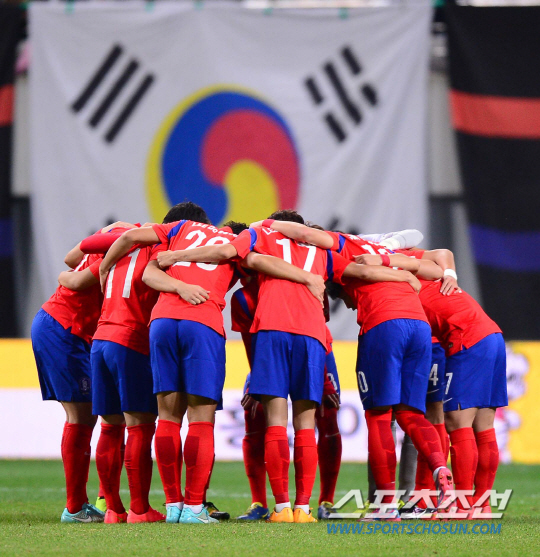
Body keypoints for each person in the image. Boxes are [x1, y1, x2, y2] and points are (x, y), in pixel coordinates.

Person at [159, 210, 423, 523]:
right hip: (312, 336)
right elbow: (361, 271)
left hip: (272, 330)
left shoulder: (260, 237)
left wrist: (176, 255)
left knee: (274, 421)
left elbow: (233, 253)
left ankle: (281, 507)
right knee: (306, 424)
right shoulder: (322, 251)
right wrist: (403, 275)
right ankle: (304, 508)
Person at [98, 212, 328, 524]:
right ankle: (194, 507)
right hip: (202, 322)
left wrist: (172, 283)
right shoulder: (239, 242)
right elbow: (258, 262)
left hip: (161, 321)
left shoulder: (180, 229)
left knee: (167, 416)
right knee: (200, 419)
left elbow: (145, 267)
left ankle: (173, 505)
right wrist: (307, 277)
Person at [259, 220, 455, 520]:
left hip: (384, 325)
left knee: (379, 416)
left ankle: (386, 505)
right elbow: (435, 266)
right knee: (412, 414)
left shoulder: (341, 248)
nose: (351, 307)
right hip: (420, 327)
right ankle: (440, 467)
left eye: (346, 299)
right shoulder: (384, 250)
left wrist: (267, 223)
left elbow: (307, 234)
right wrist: (403, 272)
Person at [30, 222, 129, 523]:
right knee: (82, 416)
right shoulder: (119, 253)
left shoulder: (118, 240)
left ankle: (96, 501)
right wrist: (66, 277)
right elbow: (74, 279)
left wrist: (110, 231)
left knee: (100, 415)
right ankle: (74, 508)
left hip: (74, 331)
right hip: (64, 328)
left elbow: (70, 259)